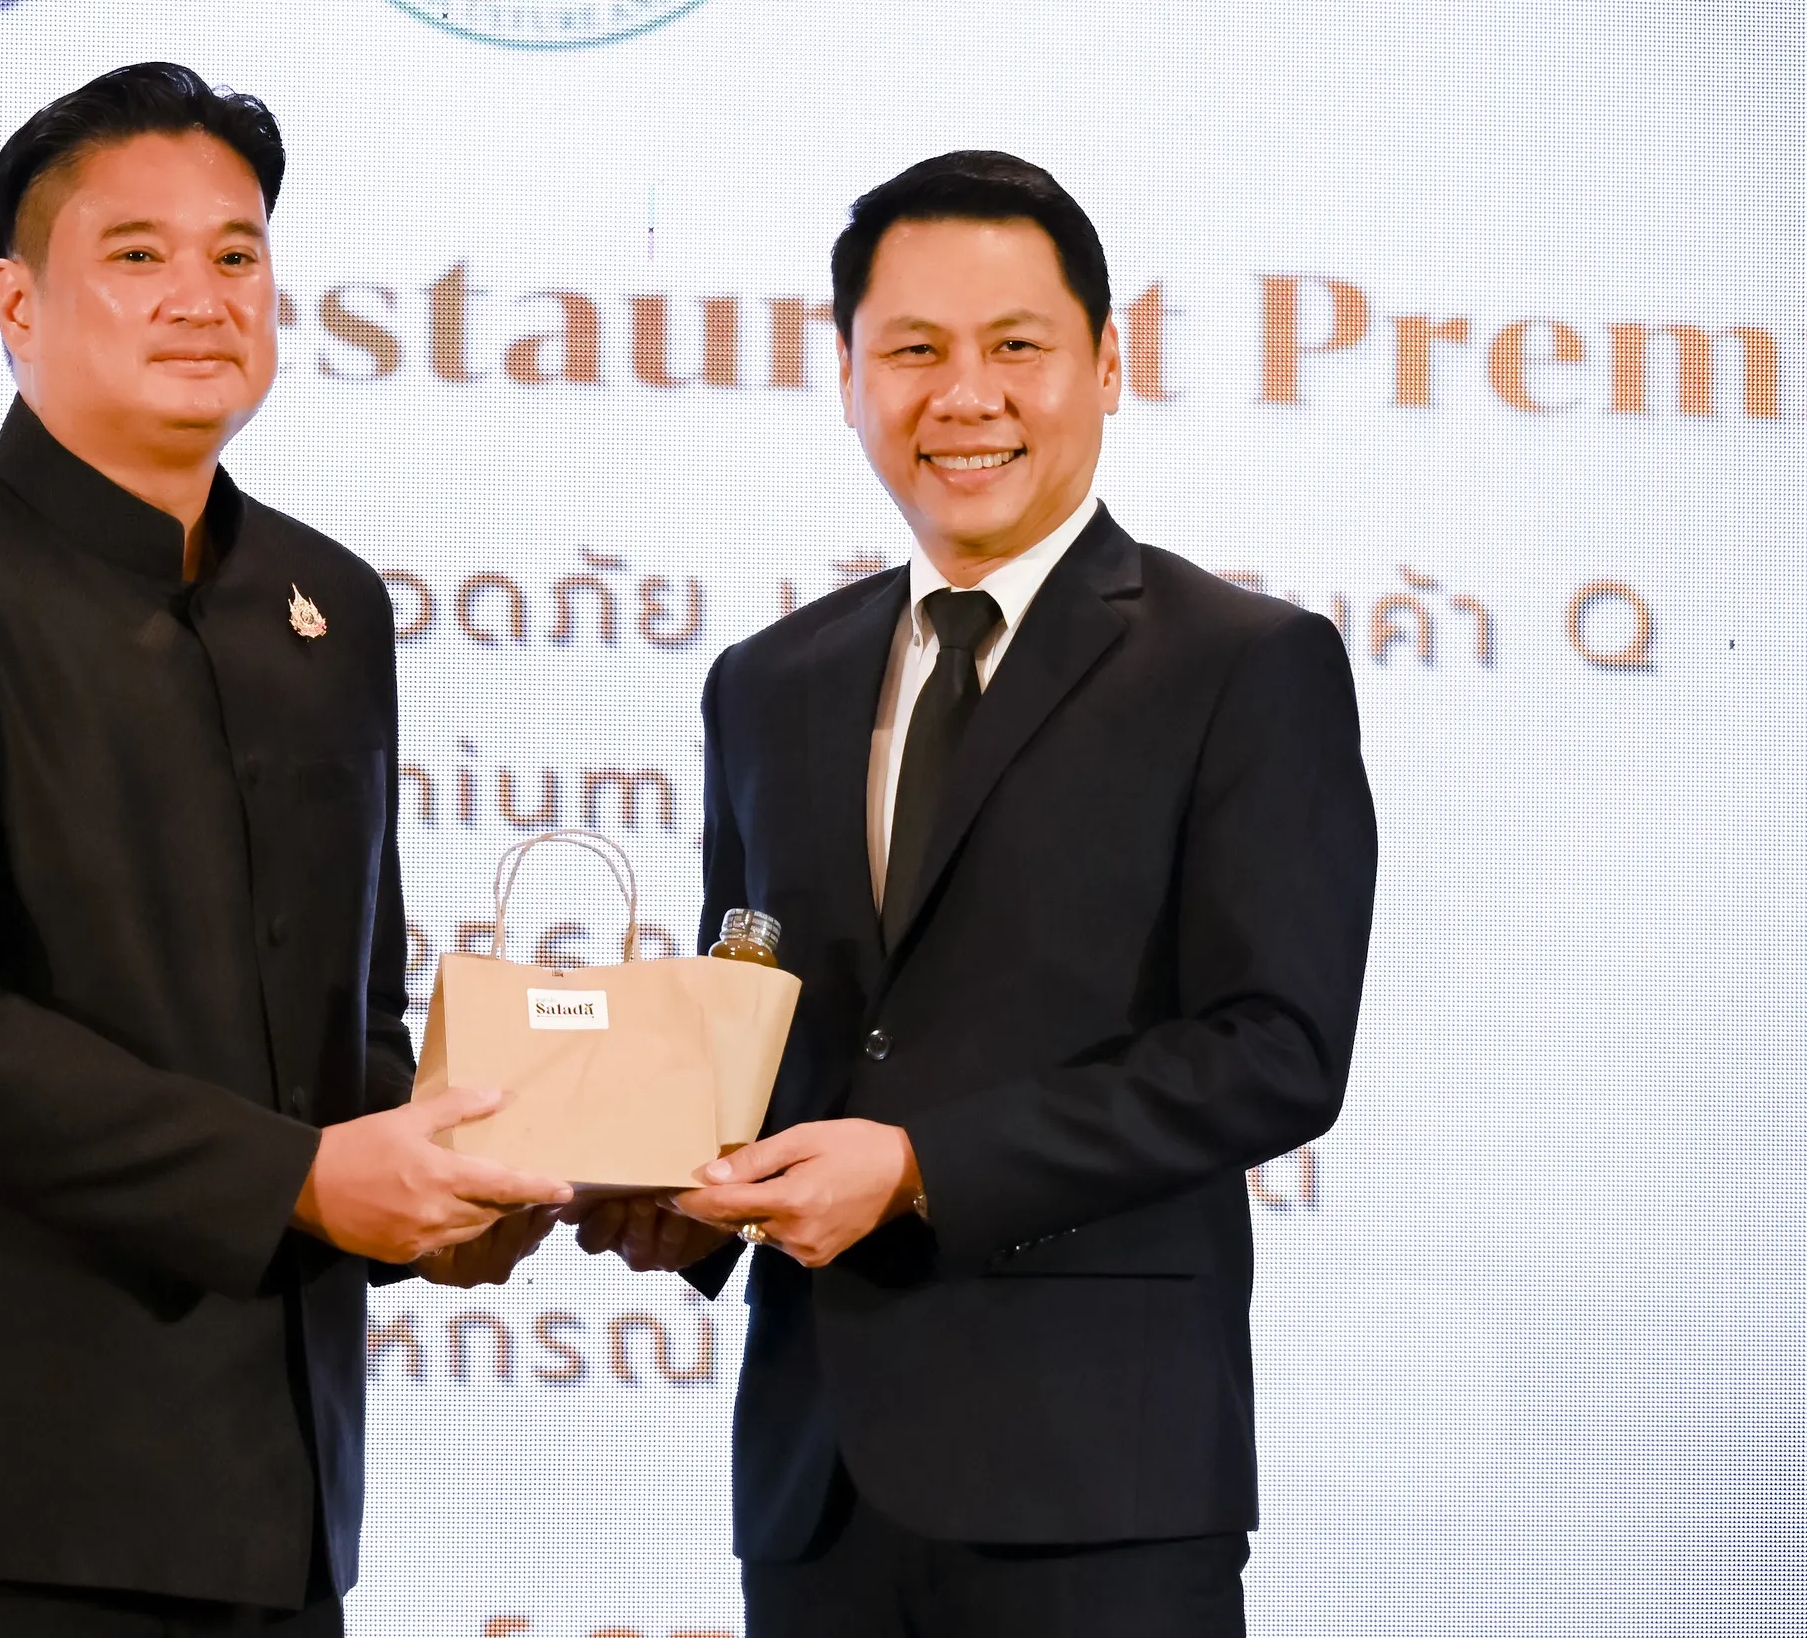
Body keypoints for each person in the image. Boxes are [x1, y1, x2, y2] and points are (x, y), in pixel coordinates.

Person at [0, 62, 567, 1637]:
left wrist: (446, 1199)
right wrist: (310, 1184)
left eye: (237, 253)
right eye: (138, 254)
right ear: (17, 302)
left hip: (273, 1512)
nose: (203, 295)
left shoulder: (329, 607)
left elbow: (345, 1030)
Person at [575, 151, 1377, 1635]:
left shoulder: (1243, 665)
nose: (966, 396)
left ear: (1108, 363)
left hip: (1101, 1491)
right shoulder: (767, 683)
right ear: (847, 375)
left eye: (1016, 346)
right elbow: (751, 1028)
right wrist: (675, 1185)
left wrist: (919, 1168)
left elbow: (1276, 1050)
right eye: (914, 351)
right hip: (817, 1490)